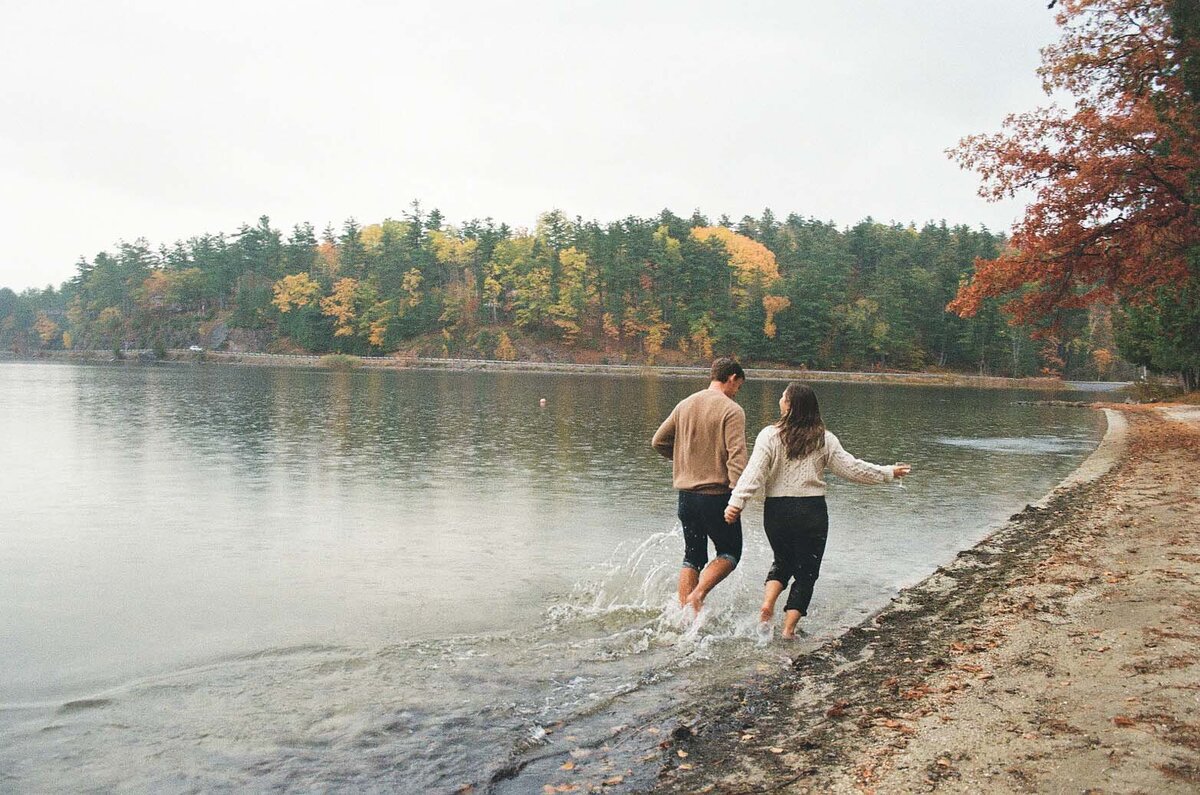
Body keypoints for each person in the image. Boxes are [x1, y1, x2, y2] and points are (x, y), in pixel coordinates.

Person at [724, 382, 911, 639]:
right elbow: (853, 469)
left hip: (777, 511)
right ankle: (788, 630)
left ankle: (768, 603)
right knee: (807, 572)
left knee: (782, 561)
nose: (780, 400)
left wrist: (736, 503)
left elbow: (753, 474)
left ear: (790, 405)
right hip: (811, 511)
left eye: (783, 397)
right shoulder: (824, 438)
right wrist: (888, 473)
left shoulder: (769, 435)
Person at [652, 357, 748, 614]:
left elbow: (659, 441)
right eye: (738, 386)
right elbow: (737, 457)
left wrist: (684, 459)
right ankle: (698, 595)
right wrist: (738, 499)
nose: (737, 392)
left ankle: (685, 616)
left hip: (686, 497)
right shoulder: (731, 410)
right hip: (716, 497)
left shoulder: (685, 404)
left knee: (692, 556)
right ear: (731, 378)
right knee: (730, 552)